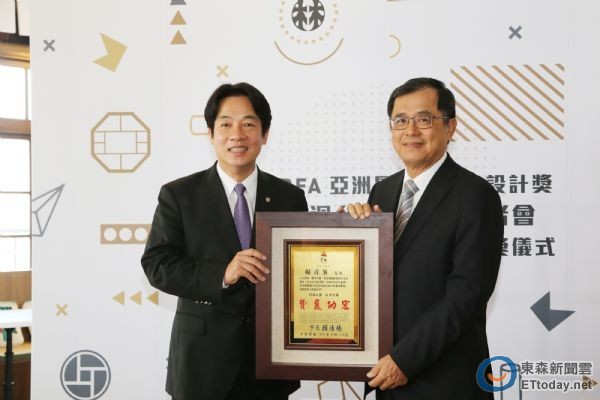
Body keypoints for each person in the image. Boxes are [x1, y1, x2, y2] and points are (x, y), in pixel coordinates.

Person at [141, 82, 307, 400]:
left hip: (268, 367)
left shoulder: (290, 196)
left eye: (249, 124)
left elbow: (302, 269)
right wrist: (223, 273)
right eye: (226, 124)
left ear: (265, 134)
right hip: (202, 366)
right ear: (210, 133)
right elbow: (157, 265)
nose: (237, 135)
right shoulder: (179, 195)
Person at [346, 78, 503, 399]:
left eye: (424, 119)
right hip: (386, 378)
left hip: (446, 382)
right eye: (400, 120)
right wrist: (345, 237)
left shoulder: (475, 195)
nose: (411, 130)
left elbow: (467, 295)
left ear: (450, 127)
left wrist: (404, 360)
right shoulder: (382, 192)